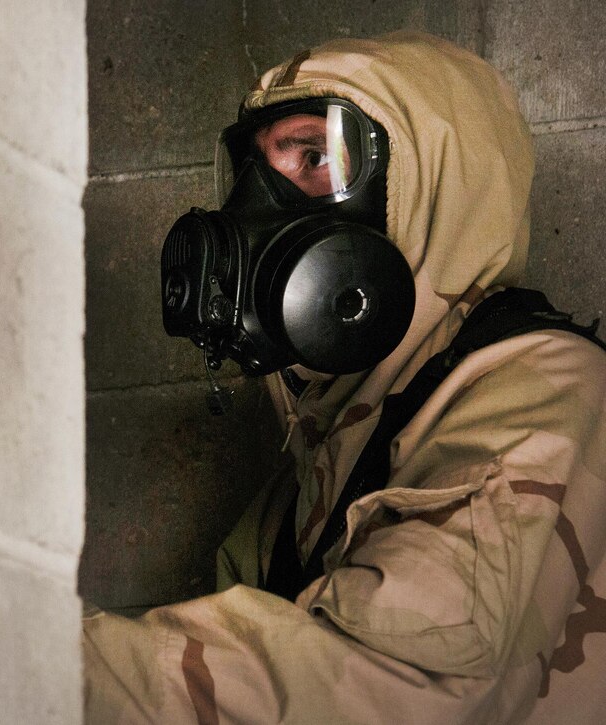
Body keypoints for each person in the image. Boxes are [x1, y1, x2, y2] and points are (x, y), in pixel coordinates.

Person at [84, 31, 606, 724]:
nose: (256, 208)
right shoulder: (294, 495)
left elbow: (391, 687)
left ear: (431, 192)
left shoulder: (546, 391)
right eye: (252, 170)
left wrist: (19, 663)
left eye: (314, 157)